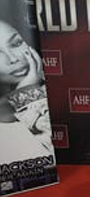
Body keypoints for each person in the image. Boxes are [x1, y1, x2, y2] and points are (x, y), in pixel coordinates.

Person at [0, 19, 53, 163]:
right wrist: (28, 93)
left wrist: (28, 93)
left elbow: (50, 157)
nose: (13, 58)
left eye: (16, 43)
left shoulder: (51, 94)